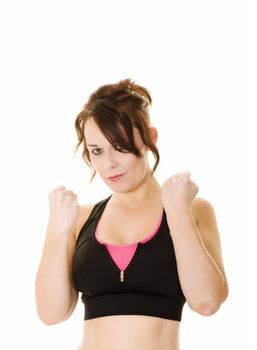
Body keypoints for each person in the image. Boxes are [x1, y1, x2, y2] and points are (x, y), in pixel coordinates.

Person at [35, 78, 229, 350]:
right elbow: (51, 314)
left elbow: (207, 302)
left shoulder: (191, 209)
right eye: (97, 151)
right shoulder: (81, 218)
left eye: (121, 146)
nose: (109, 163)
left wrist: (177, 212)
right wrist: (56, 229)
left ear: (150, 138)